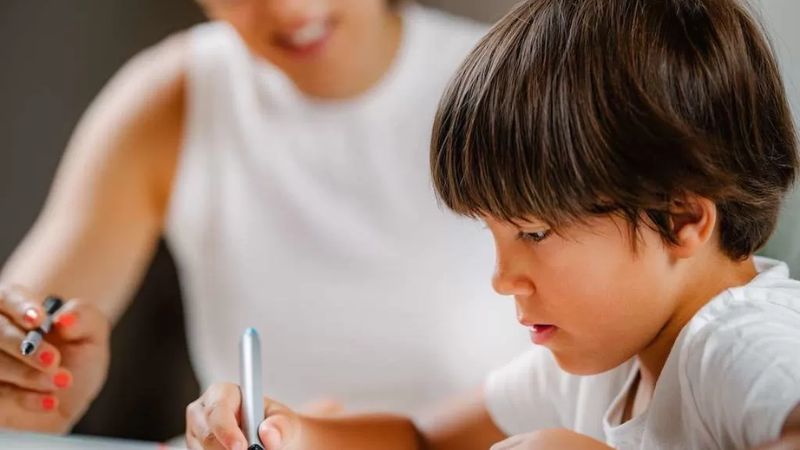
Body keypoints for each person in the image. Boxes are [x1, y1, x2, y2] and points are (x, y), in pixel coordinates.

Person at [186, 0, 800, 448]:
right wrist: (290, 432)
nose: (503, 279)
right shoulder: (614, 355)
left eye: (533, 234)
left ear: (680, 218)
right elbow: (424, 439)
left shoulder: (741, 345)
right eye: (494, 235)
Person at [0, 0, 528, 435]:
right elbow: (22, 334)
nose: (289, 10)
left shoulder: (521, 91)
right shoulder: (172, 101)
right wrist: (28, 396)